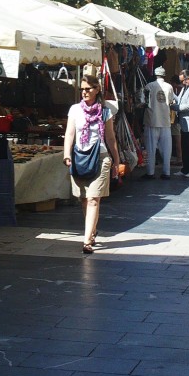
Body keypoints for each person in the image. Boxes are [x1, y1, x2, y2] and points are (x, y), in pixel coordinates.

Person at [63, 74, 120, 254]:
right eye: (82, 89)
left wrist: (116, 160)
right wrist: (66, 154)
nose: (84, 92)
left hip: (101, 157)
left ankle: (87, 240)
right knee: (84, 200)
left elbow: (111, 138)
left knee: (93, 199)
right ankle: (92, 230)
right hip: (80, 158)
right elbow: (70, 134)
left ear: (97, 90)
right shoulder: (74, 110)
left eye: (88, 89)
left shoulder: (105, 111)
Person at [141, 66, 175, 179]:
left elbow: (144, 101)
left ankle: (150, 172)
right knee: (166, 149)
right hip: (165, 121)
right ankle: (166, 172)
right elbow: (170, 101)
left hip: (152, 120)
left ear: (155, 75)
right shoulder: (169, 87)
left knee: (151, 148)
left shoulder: (149, 86)